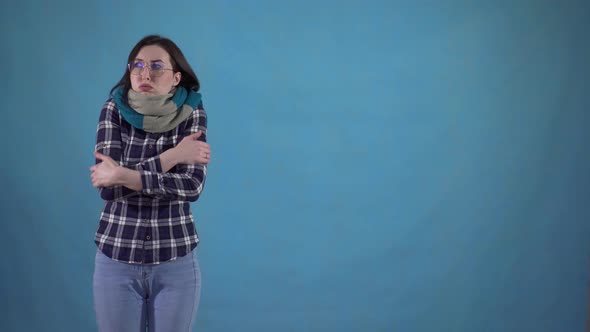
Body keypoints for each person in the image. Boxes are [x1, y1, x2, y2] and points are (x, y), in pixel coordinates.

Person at [89, 34, 210, 331]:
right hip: (116, 256)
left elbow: (191, 186)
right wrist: (172, 157)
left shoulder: (192, 113)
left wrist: (125, 175)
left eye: (157, 66)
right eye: (138, 65)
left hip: (176, 259)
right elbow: (108, 188)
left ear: (175, 77)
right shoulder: (113, 110)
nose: (145, 74)